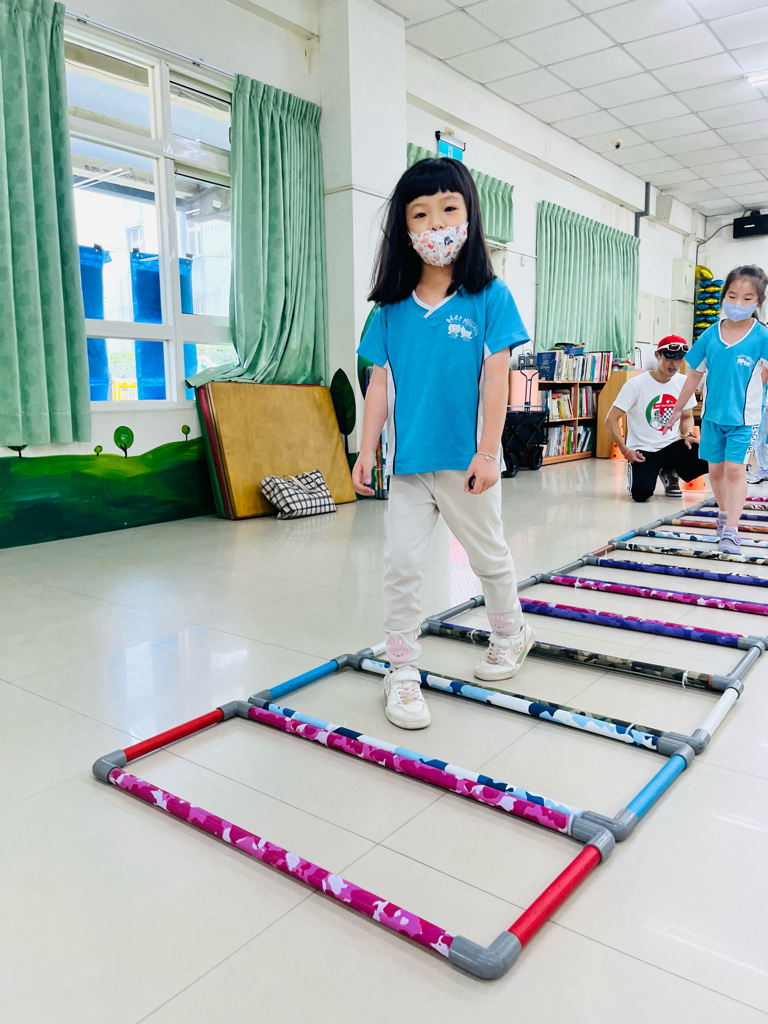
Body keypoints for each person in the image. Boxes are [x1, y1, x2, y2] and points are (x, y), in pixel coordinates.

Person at [353, 157, 532, 730]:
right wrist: (366, 449)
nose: (437, 225)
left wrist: (488, 452)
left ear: (469, 215)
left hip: (467, 461)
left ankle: (510, 632)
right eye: (421, 214)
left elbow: (498, 380)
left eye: (449, 209)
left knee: (487, 555)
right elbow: (379, 383)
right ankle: (401, 666)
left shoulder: (490, 296)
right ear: (405, 228)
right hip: (409, 464)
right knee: (401, 564)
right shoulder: (390, 309)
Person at [665, 264, 768, 554]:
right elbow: (694, 375)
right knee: (716, 471)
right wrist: (677, 409)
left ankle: (732, 529)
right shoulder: (710, 335)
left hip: (744, 419)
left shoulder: (761, 336)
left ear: (758, 301)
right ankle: (724, 514)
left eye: (747, 298)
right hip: (712, 417)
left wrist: (755, 395)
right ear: (723, 296)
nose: (738, 303)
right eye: (732, 296)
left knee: (735, 470)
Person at [605, 335, 708, 502]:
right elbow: (610, 420)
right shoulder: (635, 385)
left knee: (710, 456)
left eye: (679, 359)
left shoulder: (684, 382)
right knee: (641, 495)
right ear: (657, 355)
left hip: (672, 446)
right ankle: (654, 470)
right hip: (644, 450)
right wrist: (626, 451)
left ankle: (670, 471)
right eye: (669, 358)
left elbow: (687, 416)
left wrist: (689, 434)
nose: (674, 364)